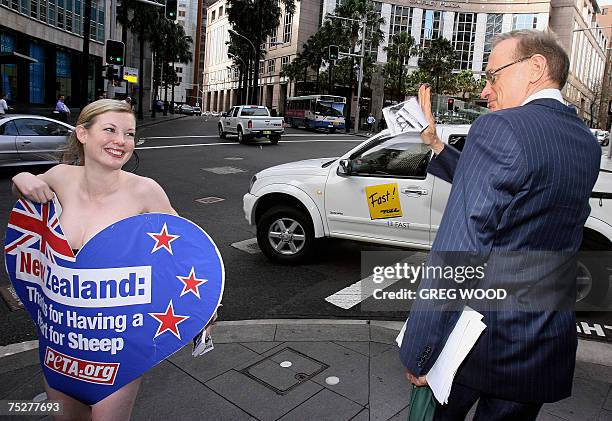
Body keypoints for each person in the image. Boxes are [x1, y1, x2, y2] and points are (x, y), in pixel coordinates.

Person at [399, 30, 601, 420]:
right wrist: (438, 146)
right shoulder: (585, 142)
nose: (486, 91)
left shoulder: (501, 127)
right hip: (540, 342)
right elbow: (519, 191)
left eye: (494, 76)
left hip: (477, 340)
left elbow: (459, 251)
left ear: (536, 68)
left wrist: (421, 349)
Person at [10, 99, 183, 420]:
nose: (122, 141)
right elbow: (26, 202)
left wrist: (205, 305)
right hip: (60, 343)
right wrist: (22, 177)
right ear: (82, 134)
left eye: (129, 134)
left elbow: (184, 250)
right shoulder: (60, 176)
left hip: (118, 346)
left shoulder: (146, 191)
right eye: (110, 130)